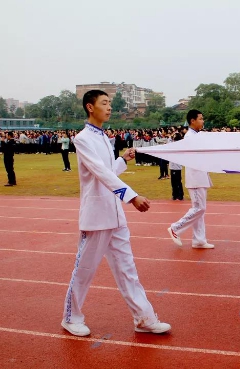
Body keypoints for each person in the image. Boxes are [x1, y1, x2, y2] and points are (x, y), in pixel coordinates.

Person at [61, 90, 170, 337]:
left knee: (127, 268)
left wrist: (122, 159)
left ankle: (143, 318)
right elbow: (100, 173)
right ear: (90, 107)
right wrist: (131, 196)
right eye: (104, 103)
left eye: (110, 103)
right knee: (85, 269)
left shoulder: (103, 137)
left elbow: (109, 171)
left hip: (115, 214)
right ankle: (71, 317)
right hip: (97, 215)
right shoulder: (83, 139)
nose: (109, 107)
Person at [167, 109, 214, 249]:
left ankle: (199, 240)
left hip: (200, 176)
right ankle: (175, 228)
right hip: (195, 177)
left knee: (200, 210)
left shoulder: (196, 136)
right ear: (192, 121)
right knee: (199, 208)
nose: (203, 121)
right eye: (200, 118)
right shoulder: (190, 137)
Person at [169, 133, 184, 201]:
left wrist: (170, 137)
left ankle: (180, 195)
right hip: (172, 166)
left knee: (177, 182)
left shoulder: (178, 145)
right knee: (173, 182)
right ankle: (174, 195)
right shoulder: (173, 144)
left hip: (177, 167)